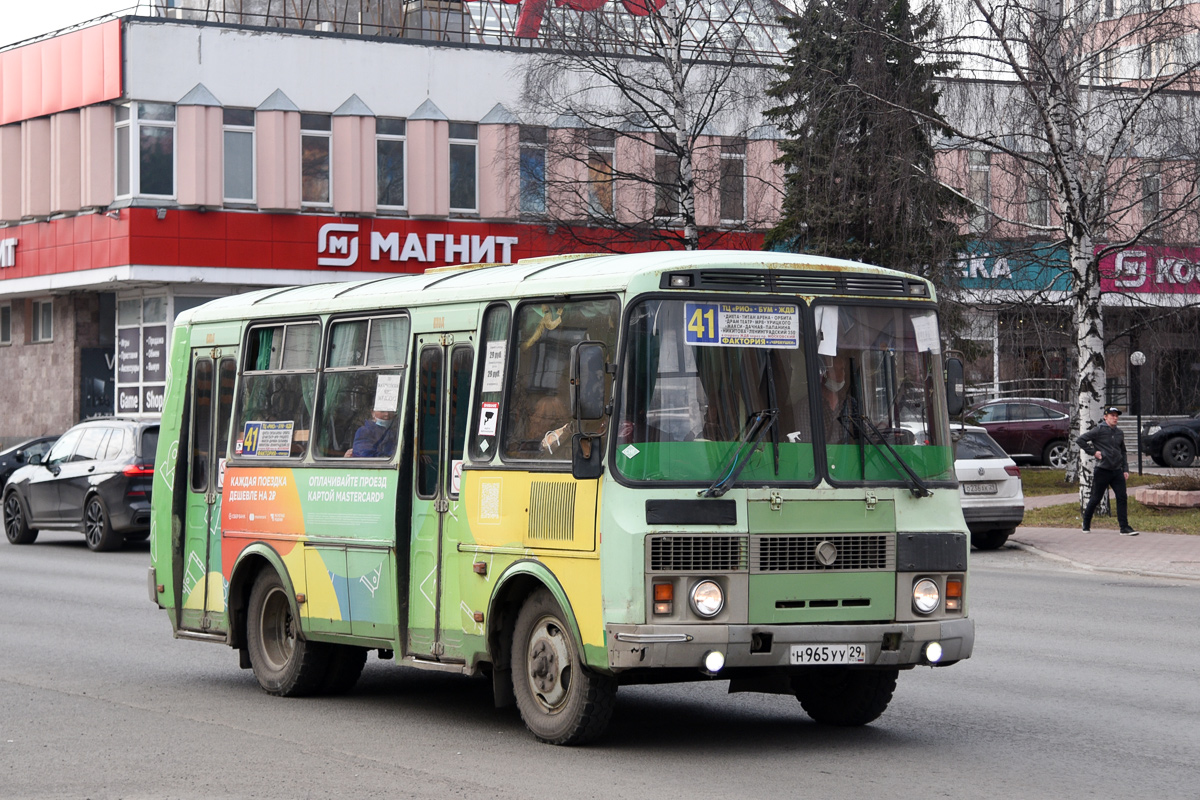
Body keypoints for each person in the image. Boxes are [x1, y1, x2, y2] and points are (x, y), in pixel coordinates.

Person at [1077, 406, 1138, 535]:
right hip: (1102, 470)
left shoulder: (1119, 433)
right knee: (1096, 498)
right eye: (1112, 415)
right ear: (1105, 417)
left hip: (1117, 471)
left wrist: (1125, 469)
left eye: (1116, 416)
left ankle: (1124, 527)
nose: (1115, 418)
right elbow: (1080, 440)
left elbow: (1123, 452)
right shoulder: (1099, 430)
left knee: (1122, 497)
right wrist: (1094, 452)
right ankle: (1086, 522)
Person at [819, 354, 854, 444]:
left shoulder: (851, 403)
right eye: (834, 370)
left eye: (842, 369)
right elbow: (807, 448)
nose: (839, 375)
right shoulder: (807, 407)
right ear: (823, 373)